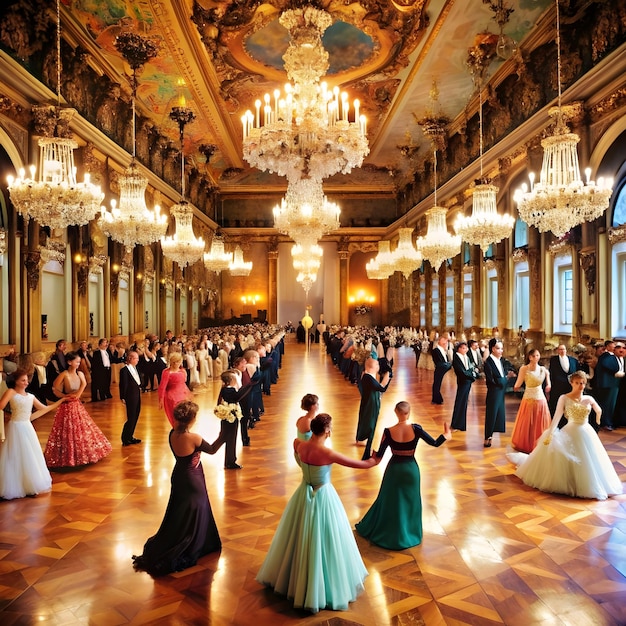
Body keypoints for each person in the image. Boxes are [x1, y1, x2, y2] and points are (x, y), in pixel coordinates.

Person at [256, 413, 373, 613]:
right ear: (326, 430)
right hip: (324, 496)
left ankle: (296, 581)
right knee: (328, 539)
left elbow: (296, 449)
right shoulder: (327, 453)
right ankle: (323, 587)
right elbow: (362, 465)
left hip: (303, 493)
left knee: (298, 537)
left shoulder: (300, 446)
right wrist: (376, 459)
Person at [132, 401, 224, 576]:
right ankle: (197, 542)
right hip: (193, 479)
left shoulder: (172, 434)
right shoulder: (193, 437)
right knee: (197, 507)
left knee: (179, 511)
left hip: (179, 476)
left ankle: (179, 537)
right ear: (192, 419)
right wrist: (223, 435)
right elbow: (211, 449)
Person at [509, 371, 622, 500]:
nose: (580, 386)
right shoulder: (564, 398)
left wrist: (598, 418)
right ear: (571, 383)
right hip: (570, 430)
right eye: (577, 383)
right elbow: (557, 416)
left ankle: (587, 482)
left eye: (583, 383)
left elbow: (599, 409)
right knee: (566, 458)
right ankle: (569, 482)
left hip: (586, 431)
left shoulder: (588, 399)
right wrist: (550, 432)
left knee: (590, 458)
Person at [356, 402, 451, 549]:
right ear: (409, 412)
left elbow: (379, 455)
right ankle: (409, 534)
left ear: (396, 412)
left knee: (390, 502)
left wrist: (369, 458)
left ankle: (390, 532)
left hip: (394, 470)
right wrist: (446, 435)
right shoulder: (416, 429)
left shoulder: (388, 431)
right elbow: (435, 443)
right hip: (411, 470)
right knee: (411, 503)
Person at [0, 369, 64, 500]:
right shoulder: (11, 392)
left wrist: (61, 401)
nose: (26, 382)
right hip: (15, 426)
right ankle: (13, 485)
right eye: (23, 380)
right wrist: (8, 415)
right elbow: (1, 405)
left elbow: (45, 408)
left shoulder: (30, 396)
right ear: (16, 381)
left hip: (27, 427)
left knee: (29, 455)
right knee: (14, 455)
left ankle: (29, 485)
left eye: (26, 380)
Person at [44, 352, 112, 468]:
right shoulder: (64, 374)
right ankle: (68, 456)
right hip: (66, 405)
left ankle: (81, 454)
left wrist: (78, 395)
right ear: (69, 362)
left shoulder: (80, 373)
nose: (78, 364)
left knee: (80, 428)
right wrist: (63, 396)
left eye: (79, 362)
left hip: (76, 404)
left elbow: (84, 384)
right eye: (76, 361)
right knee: (67, 430)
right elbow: (54, 387)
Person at [510, 349, 552, 453]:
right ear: (530, 357)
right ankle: (527, 444)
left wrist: (548, 386)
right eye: (534, 356)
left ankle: (540, 443)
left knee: (539, 421)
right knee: (528, 422)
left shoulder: (543, 369)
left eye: (538, 355)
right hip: (528, 398)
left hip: (540, 398)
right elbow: (518, 383)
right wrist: (515, 386)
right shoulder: (524, 369)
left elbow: (548, 382)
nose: (537, 357)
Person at [355, 357, 391, 460]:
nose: (378, 367)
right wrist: (387, 376)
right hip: (370, 404)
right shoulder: (368, 378)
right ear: (372, 367)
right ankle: (367, 444)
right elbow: (381, 388)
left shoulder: (368, 376)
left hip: (369, 402)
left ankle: (362, 439)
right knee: (370, 422)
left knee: (365, 419)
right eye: (377, 365)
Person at [216, 369, 252, 469]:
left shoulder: (227, 389)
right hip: (230, 417)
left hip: (230, 416)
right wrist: (248, 386)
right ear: (231, 380)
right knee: (230, 439)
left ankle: (230, 460)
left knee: (230, 438)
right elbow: (237, 397)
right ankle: (230, 461)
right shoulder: (228, 390)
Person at [483, 338, 515, 448]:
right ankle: (487, 437)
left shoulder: (499, 360)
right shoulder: (489, 362)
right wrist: (505, 379)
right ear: (492, 349)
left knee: (498, 413)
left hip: (500, 391)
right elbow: (492, 380)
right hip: (494, 392)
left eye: (502, 348)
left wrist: (505, 378)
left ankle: (491, 435)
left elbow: (501, 377)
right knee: (491, 414)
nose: (501, 351)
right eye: (498, 348)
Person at [594, 340, 624, 431]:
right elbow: (610, 366)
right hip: (607, 384)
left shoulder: (612, 356)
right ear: (607, 347)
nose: (615, 347)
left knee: (611, 404)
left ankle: (609, 422)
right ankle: (605, 423)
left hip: (613, 384)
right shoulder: (606, 356)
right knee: (607, 404)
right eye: (613, 345)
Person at [158, 352, 191, 428]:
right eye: (178, 362)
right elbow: (162, 387)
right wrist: (161, 399)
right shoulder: (167, 372)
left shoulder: (182, 371)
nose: (180, 363)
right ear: (174, 362)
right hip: (172, 398)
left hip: (182, 397)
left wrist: (188, 395)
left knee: (184, 417)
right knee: (176, 418)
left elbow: (183, 384)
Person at [450, 342, 477, 432]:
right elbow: (462, 372)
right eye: (464, 348)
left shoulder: (466, 357)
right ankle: (455, 425)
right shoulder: (457, 357)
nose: (466, 350)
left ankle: (460, 425)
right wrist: (471, 375)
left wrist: (471, 374)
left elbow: (470, 368)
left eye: (466, 348)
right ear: (459, 349)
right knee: (460, 402)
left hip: (467, 381)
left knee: (463, 403)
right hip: (463, 381)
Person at [548, 344, 580, 416]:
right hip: (558, 386)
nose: (562, 351)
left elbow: (577, 372)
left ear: (566, 350)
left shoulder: (573, 360)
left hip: (570, 385)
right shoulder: (553, 360)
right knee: (557, 403)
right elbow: (552, 372)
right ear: (558, 351)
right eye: (560, 349)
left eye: (564, 349)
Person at [119, 350, 142, 446]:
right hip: (130, 396)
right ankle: (125, 438)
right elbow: (123, 384)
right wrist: (122, 396)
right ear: (130, 359)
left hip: (136, 394)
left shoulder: (135, 368)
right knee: (131, 416)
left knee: (136, 415)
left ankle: (130, 436)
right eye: (136, 358)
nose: (137, 360)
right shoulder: (124, 370)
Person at [90, 338, 115, 402]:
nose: (106, 344)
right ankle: (101, 396)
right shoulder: (97, 353)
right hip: (101, 370)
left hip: (108, 369)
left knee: (107, 382)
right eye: (104, 343)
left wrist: (121, 359)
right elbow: (95, 363)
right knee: (101, 383)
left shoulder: (108, 352)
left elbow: (112, 359)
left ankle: (107, 394)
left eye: (106, 342)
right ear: (100, 344)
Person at [431, 332, 452, 404]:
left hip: (444, 368)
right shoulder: (435, 350)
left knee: (438, 384)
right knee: (437, 384)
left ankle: (438, 398)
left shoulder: (444, 350)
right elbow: (438, 362)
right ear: (439, 341)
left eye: (446, 341)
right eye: (444, 340)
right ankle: (436, 399)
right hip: (439, 369)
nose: (446, 342)